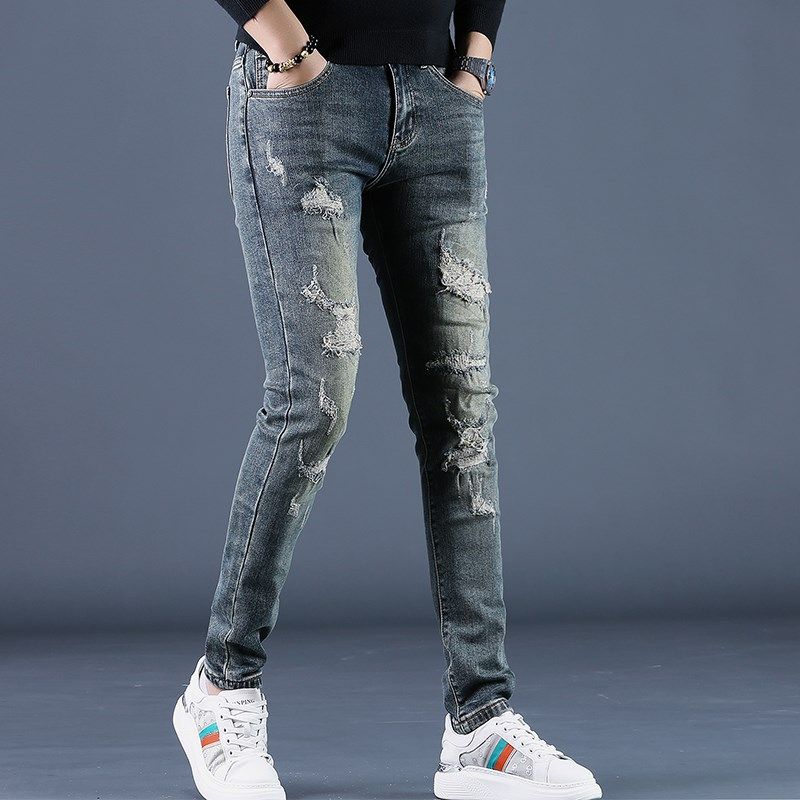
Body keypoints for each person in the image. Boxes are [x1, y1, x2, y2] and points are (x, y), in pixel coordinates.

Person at [172, 2, 602, 799]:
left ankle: (480, 722)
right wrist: (291, 52)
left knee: (463, 413)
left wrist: (475, 57)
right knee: (313, 399)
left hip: (438, 100)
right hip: (305, 96)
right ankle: (222, 686)